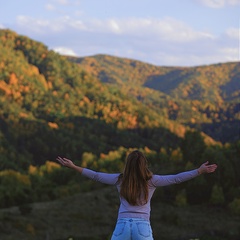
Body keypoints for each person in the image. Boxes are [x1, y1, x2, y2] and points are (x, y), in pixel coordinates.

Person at [56, 149, 217, 240]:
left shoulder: (120, 179)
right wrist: (199, 171)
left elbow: (96, 175)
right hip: (142, 226)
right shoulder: (152, 180)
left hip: (122, 225)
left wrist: (73, 166)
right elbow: (176, 178)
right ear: (144, 165)